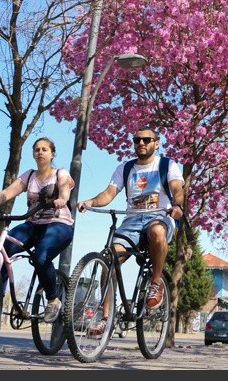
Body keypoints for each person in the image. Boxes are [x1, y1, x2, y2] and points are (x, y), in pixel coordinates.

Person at [77, 126, 184, 334]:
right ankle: (105, 317)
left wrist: (177, 206)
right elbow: (108, 194)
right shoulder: (125, 169)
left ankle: (156, 282)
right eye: (137, 140)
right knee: (109, 259)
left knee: (156, 232)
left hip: (161, 216)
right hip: (132, 221)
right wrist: (90, 201)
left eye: (146, 139)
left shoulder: (167, 165)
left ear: (156, 143)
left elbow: (177, 189)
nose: (141, 143)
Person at [0, 136, 75, 323]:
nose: (40, 152)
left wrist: (62, 198)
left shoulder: (60, 173)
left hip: (59, 224)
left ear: (52, 153)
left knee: (41, 256)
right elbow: (9, 191)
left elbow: (64, 187)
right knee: (2, 251)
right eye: (36, 149)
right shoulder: (29, 175)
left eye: (44, 149)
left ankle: (53, 300)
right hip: (33, 224)